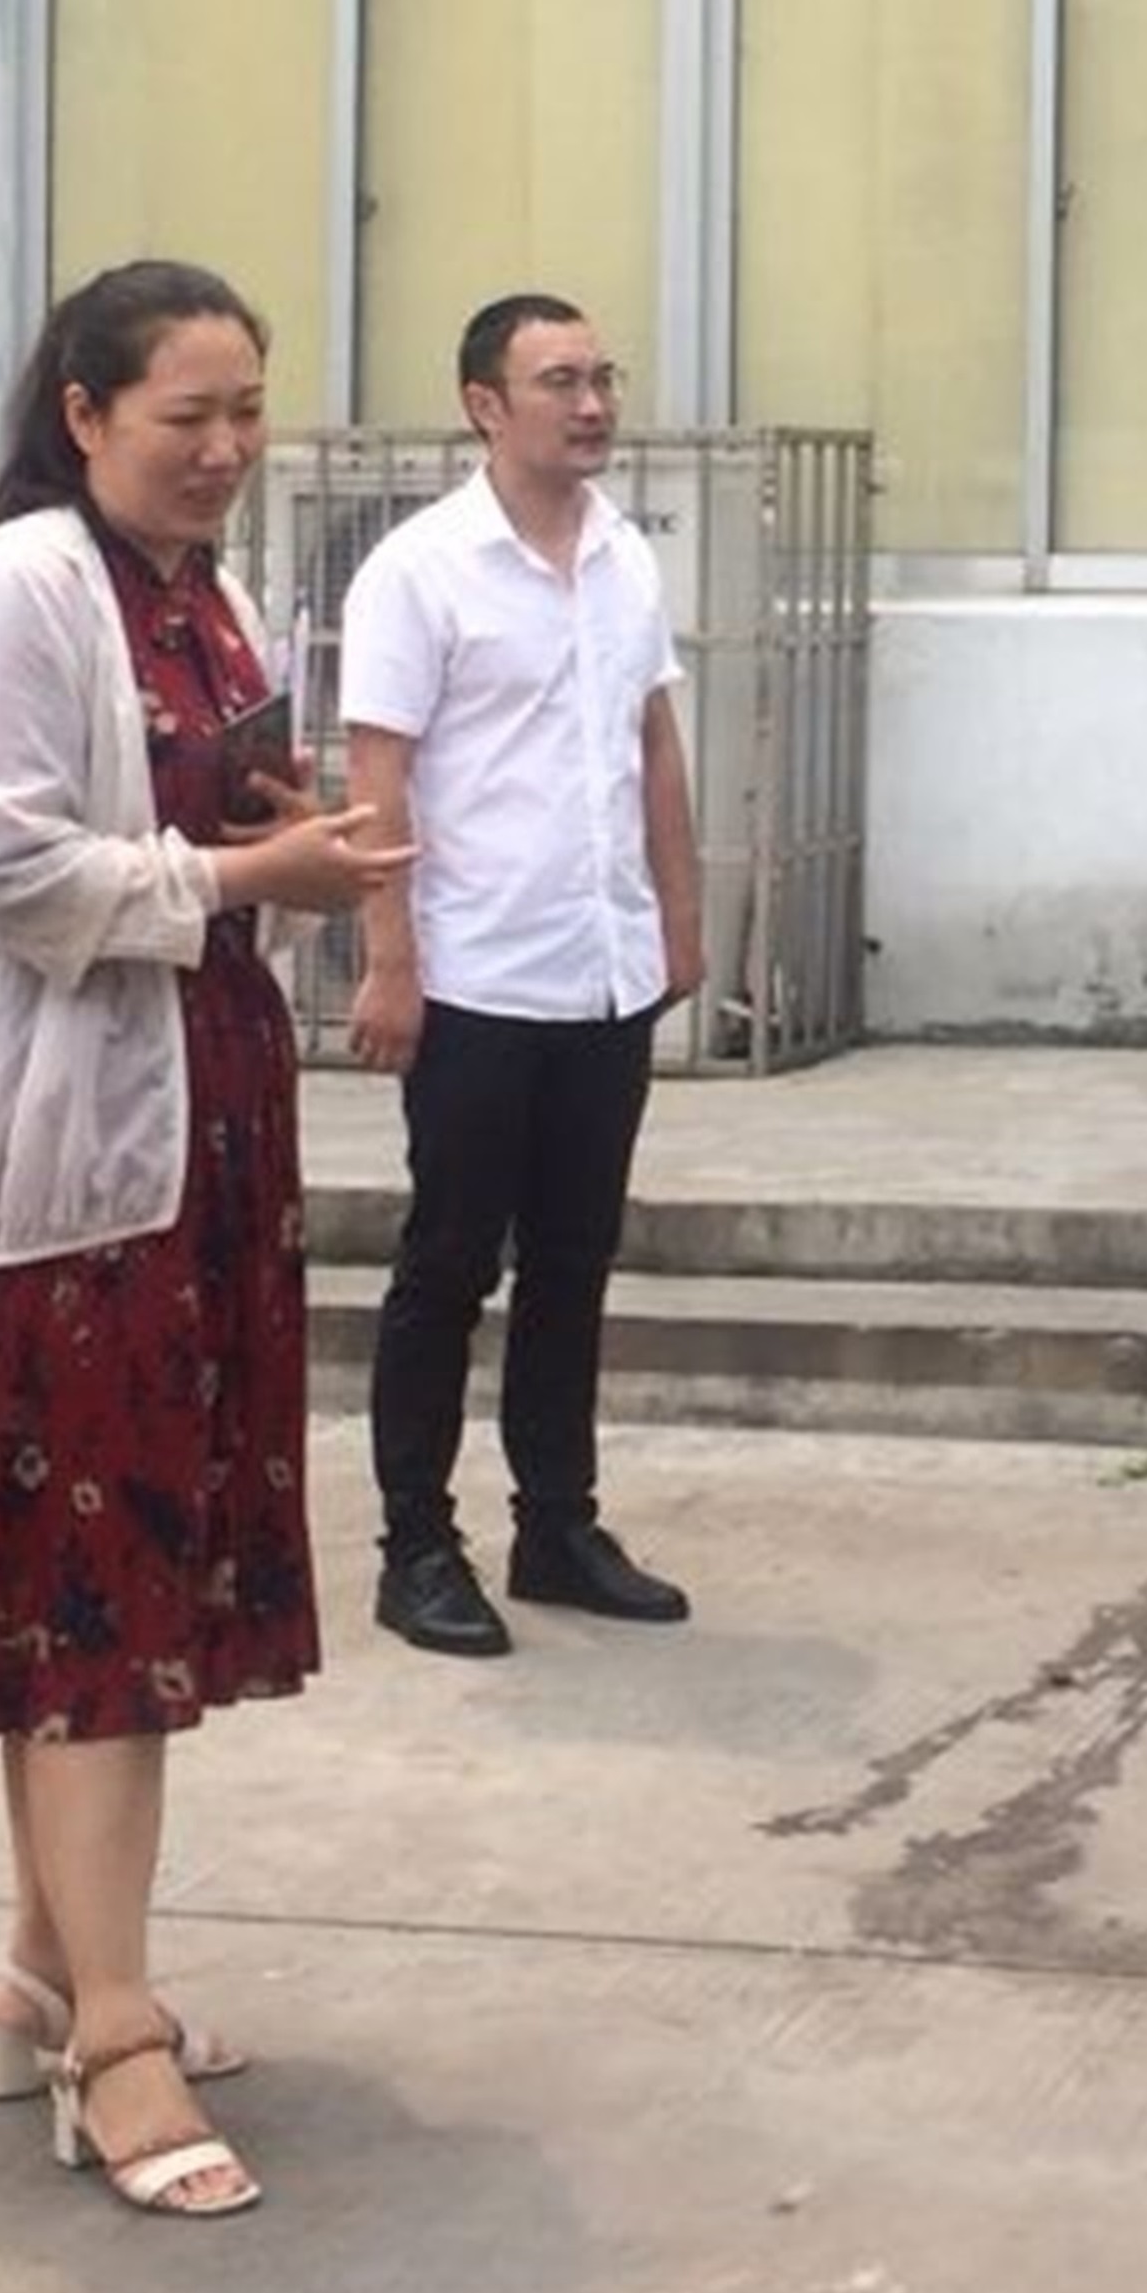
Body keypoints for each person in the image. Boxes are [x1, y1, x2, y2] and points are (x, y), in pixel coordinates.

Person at [0, 262, 400, 2223]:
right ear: (78, 413)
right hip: (68, 1176)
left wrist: (272, 829)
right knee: (94, 1610)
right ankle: (115, 2034)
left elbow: (174, 814)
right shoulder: (25, 585)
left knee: (123, 1591)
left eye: (247, 409)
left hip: (195, 1140)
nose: (227, 448)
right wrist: (245, 872)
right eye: (188, 415)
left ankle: (43, 1966)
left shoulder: (193, 592)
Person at [335, 290, 704, 1657]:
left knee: (574, 1260)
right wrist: (389, 961)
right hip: (475, 976)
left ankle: (557, 1523)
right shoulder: (420, 570)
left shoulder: (624, 555)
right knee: (448, 1263)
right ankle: (415, 1545)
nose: (592, 404)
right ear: (485, 404)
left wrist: (679, 918)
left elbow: (650, 742)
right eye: (560, 381)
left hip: (601, 970)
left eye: (603, 377)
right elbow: (375, 776)